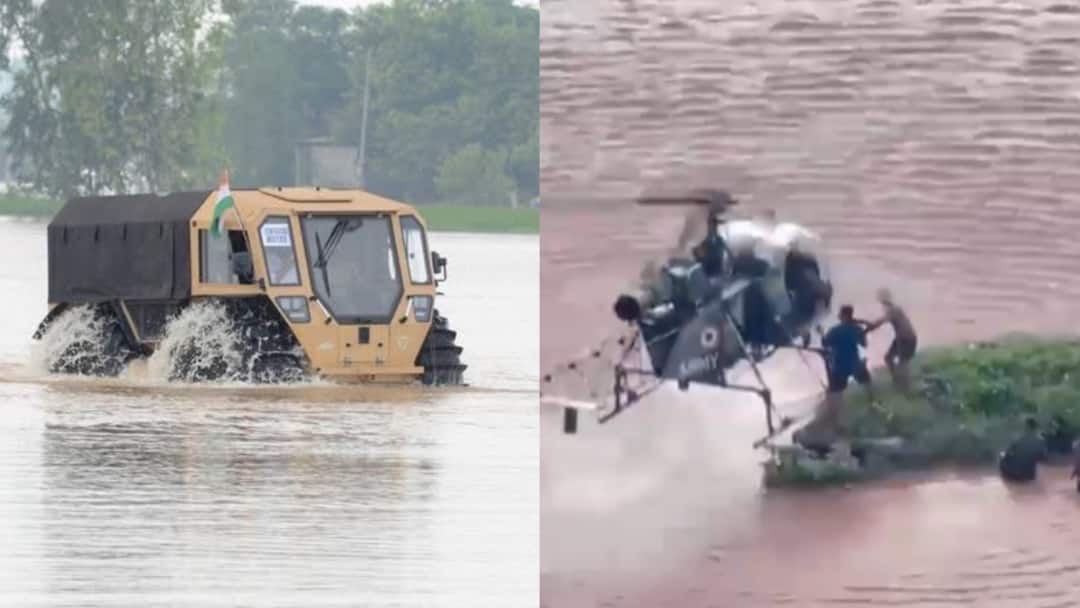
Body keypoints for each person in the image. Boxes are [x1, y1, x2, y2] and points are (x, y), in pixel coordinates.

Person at [796, 305, 874, 450]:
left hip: (840, 367)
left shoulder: (836, 330)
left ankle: (836, 423)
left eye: (840, 314)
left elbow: (826, 343)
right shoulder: (856, 329)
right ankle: (873, 406)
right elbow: (864, 343)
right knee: (867, 382)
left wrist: (821, 333)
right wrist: (863, 329)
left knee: (835, 393)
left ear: (843, 316)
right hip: (855, 364)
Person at [863, 288, 918, 391]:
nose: (881, 304)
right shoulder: (894, 308)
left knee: (903, 362)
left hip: (906, 338)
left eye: (881, 301)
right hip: (902, 338)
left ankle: (906, 386)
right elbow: (879, 322)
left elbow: (879, 322)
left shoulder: (892, 310)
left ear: (883, 301)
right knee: (888, 358)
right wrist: (868, 327)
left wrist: (866, 330)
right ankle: (898, 381)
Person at [999, 417, 1047, 482]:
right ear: (1036, 428)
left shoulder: (1018, 438)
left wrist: (1003, 455)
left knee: (1002, 454)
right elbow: (1043, 458)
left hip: (1013, 475)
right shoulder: (1040, 440)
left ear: (1026, 427)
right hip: (1029, 476)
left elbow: (1007, 452)